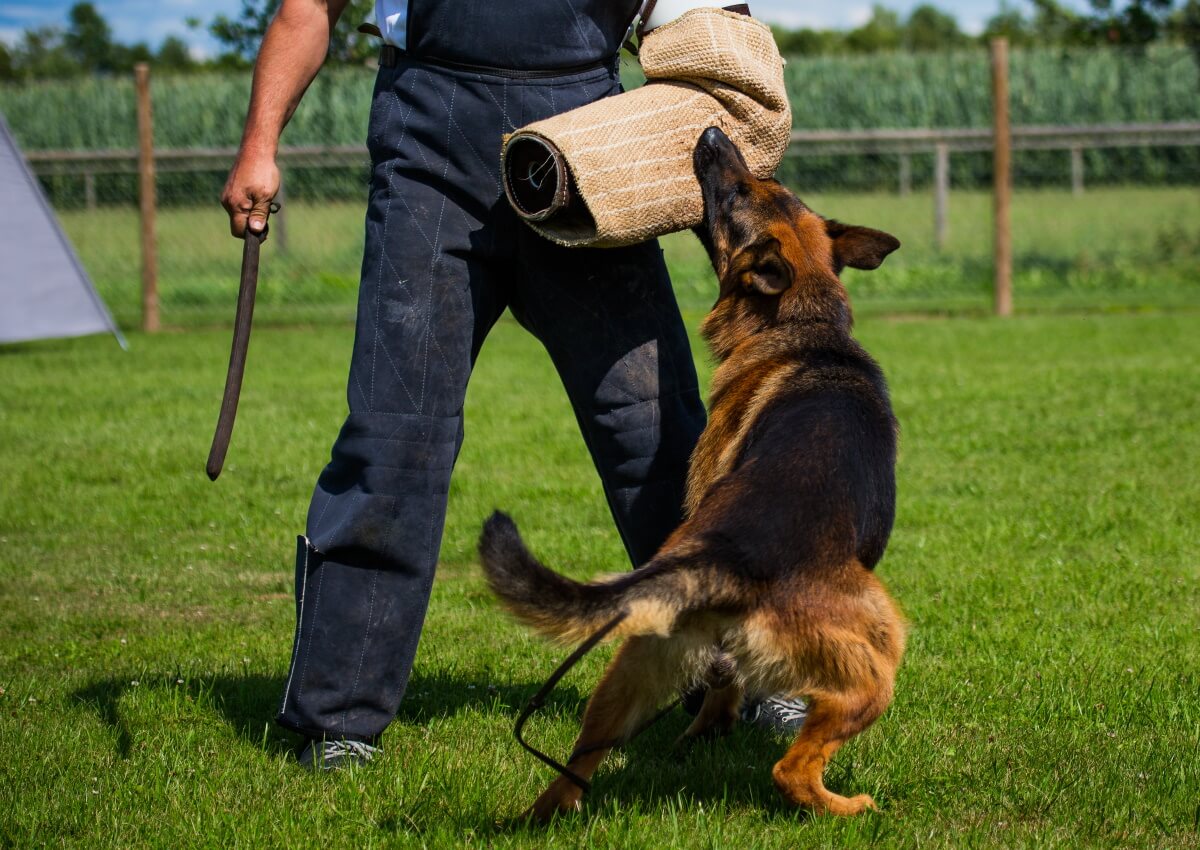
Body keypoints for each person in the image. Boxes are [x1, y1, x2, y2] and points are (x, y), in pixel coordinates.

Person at [222, 0, 804, 770]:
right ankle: (340, 721)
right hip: (428, 148)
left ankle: (744, 675)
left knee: (658, 432)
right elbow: (310, 8)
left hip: (585, 150)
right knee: (393, 437)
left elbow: (702, 23)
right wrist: (259, 144)